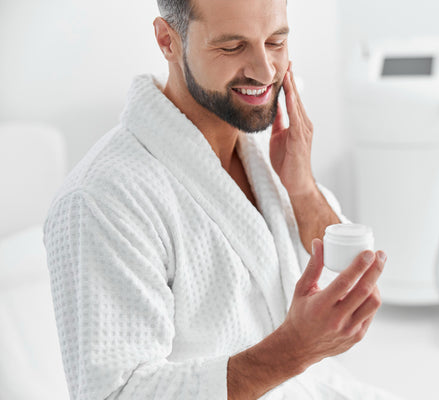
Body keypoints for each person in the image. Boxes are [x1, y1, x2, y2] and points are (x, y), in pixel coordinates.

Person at [43, 0, 399, 398]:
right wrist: (292, 351)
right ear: (168, 41)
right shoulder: (103, 200)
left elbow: (342, 294)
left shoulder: (267, 155)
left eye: (276, 41)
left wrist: (302, 189)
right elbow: (116, 394)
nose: (265, 71)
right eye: (233, 47)